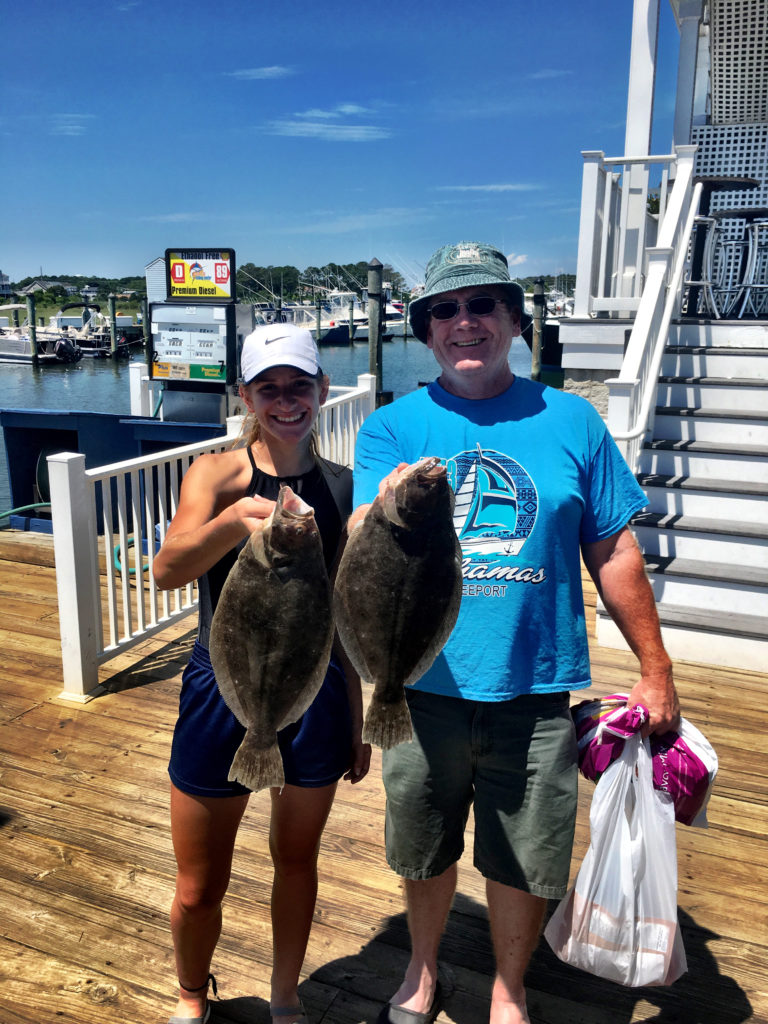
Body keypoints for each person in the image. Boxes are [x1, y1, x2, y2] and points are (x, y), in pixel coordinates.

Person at [348, 242, 680, 1024]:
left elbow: (614, 549)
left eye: (483, 306)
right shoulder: (391, 428)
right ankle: (422, 968)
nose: (465, 323)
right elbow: (363, 533)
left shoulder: (572, 419)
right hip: (421, 686)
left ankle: (508, 988)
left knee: (526, 858)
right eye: (446, 311)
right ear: (426, 331)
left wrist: (656, 669)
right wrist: (383, 511)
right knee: (422, 846)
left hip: (535, 687)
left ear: (515, 321)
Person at [153, 323, 371, 1024]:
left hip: (315, 696)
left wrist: (358, 719)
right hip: (223, 691)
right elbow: (165, 571)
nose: (285, 401)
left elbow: (344, 617)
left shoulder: (341, 487)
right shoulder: (217, 474)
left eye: (299, 386)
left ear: (321, 392)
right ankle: (192, 994)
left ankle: (284, 996)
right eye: (268, 387)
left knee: (296, 861)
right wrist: (231, 525)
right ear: (244, 394)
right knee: (197, 885)